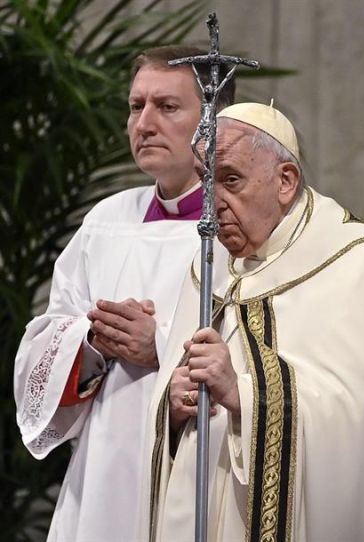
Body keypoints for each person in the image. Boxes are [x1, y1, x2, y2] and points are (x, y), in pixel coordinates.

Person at [143, 102, 364, 542]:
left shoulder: (358, 265)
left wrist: (242, 393)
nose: (211, 204)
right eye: (205, 181)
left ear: (285, 181)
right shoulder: (210, 267)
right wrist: (175, 403)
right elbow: (172, 396)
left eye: (231, 180)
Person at [14, 45, 235, 541]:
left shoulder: (241, 227)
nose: (144, 123)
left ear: (214, 122)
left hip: (198, 462)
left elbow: (267, 355)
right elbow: (41, 345)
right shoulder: (106, 221)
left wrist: (158, 345)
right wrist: (89, 342)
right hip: (102, 470)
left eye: (167, 106)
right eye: (137, 106)